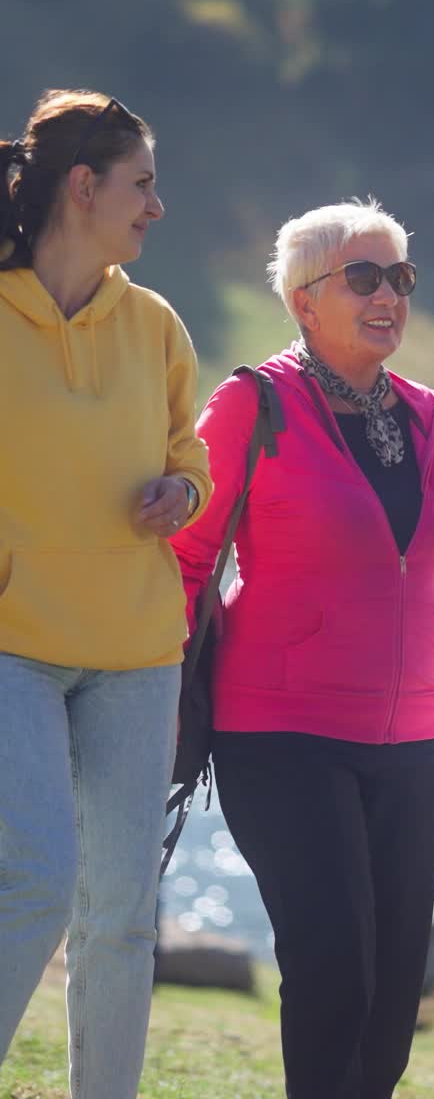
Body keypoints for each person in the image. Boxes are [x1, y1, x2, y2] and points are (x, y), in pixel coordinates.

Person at [171, 198, 434, 1099]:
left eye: (401, 278)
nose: (390, 294)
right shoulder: (251, 404)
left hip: (421, 741)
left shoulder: (430, 417)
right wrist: (150, 696)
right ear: (304, 301)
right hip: (281, 733)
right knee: (334, 966)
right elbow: (186, 556)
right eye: (365, 277)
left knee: (389, 996)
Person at [0, 89, 212, 1099]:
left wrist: (183, 489)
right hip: (11, 642)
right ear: (82, 188)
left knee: (124, 913)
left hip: (137, 651)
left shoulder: (155, 322)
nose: (157, 207)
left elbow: (191, 453)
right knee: (35, 877)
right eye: (143, 183)